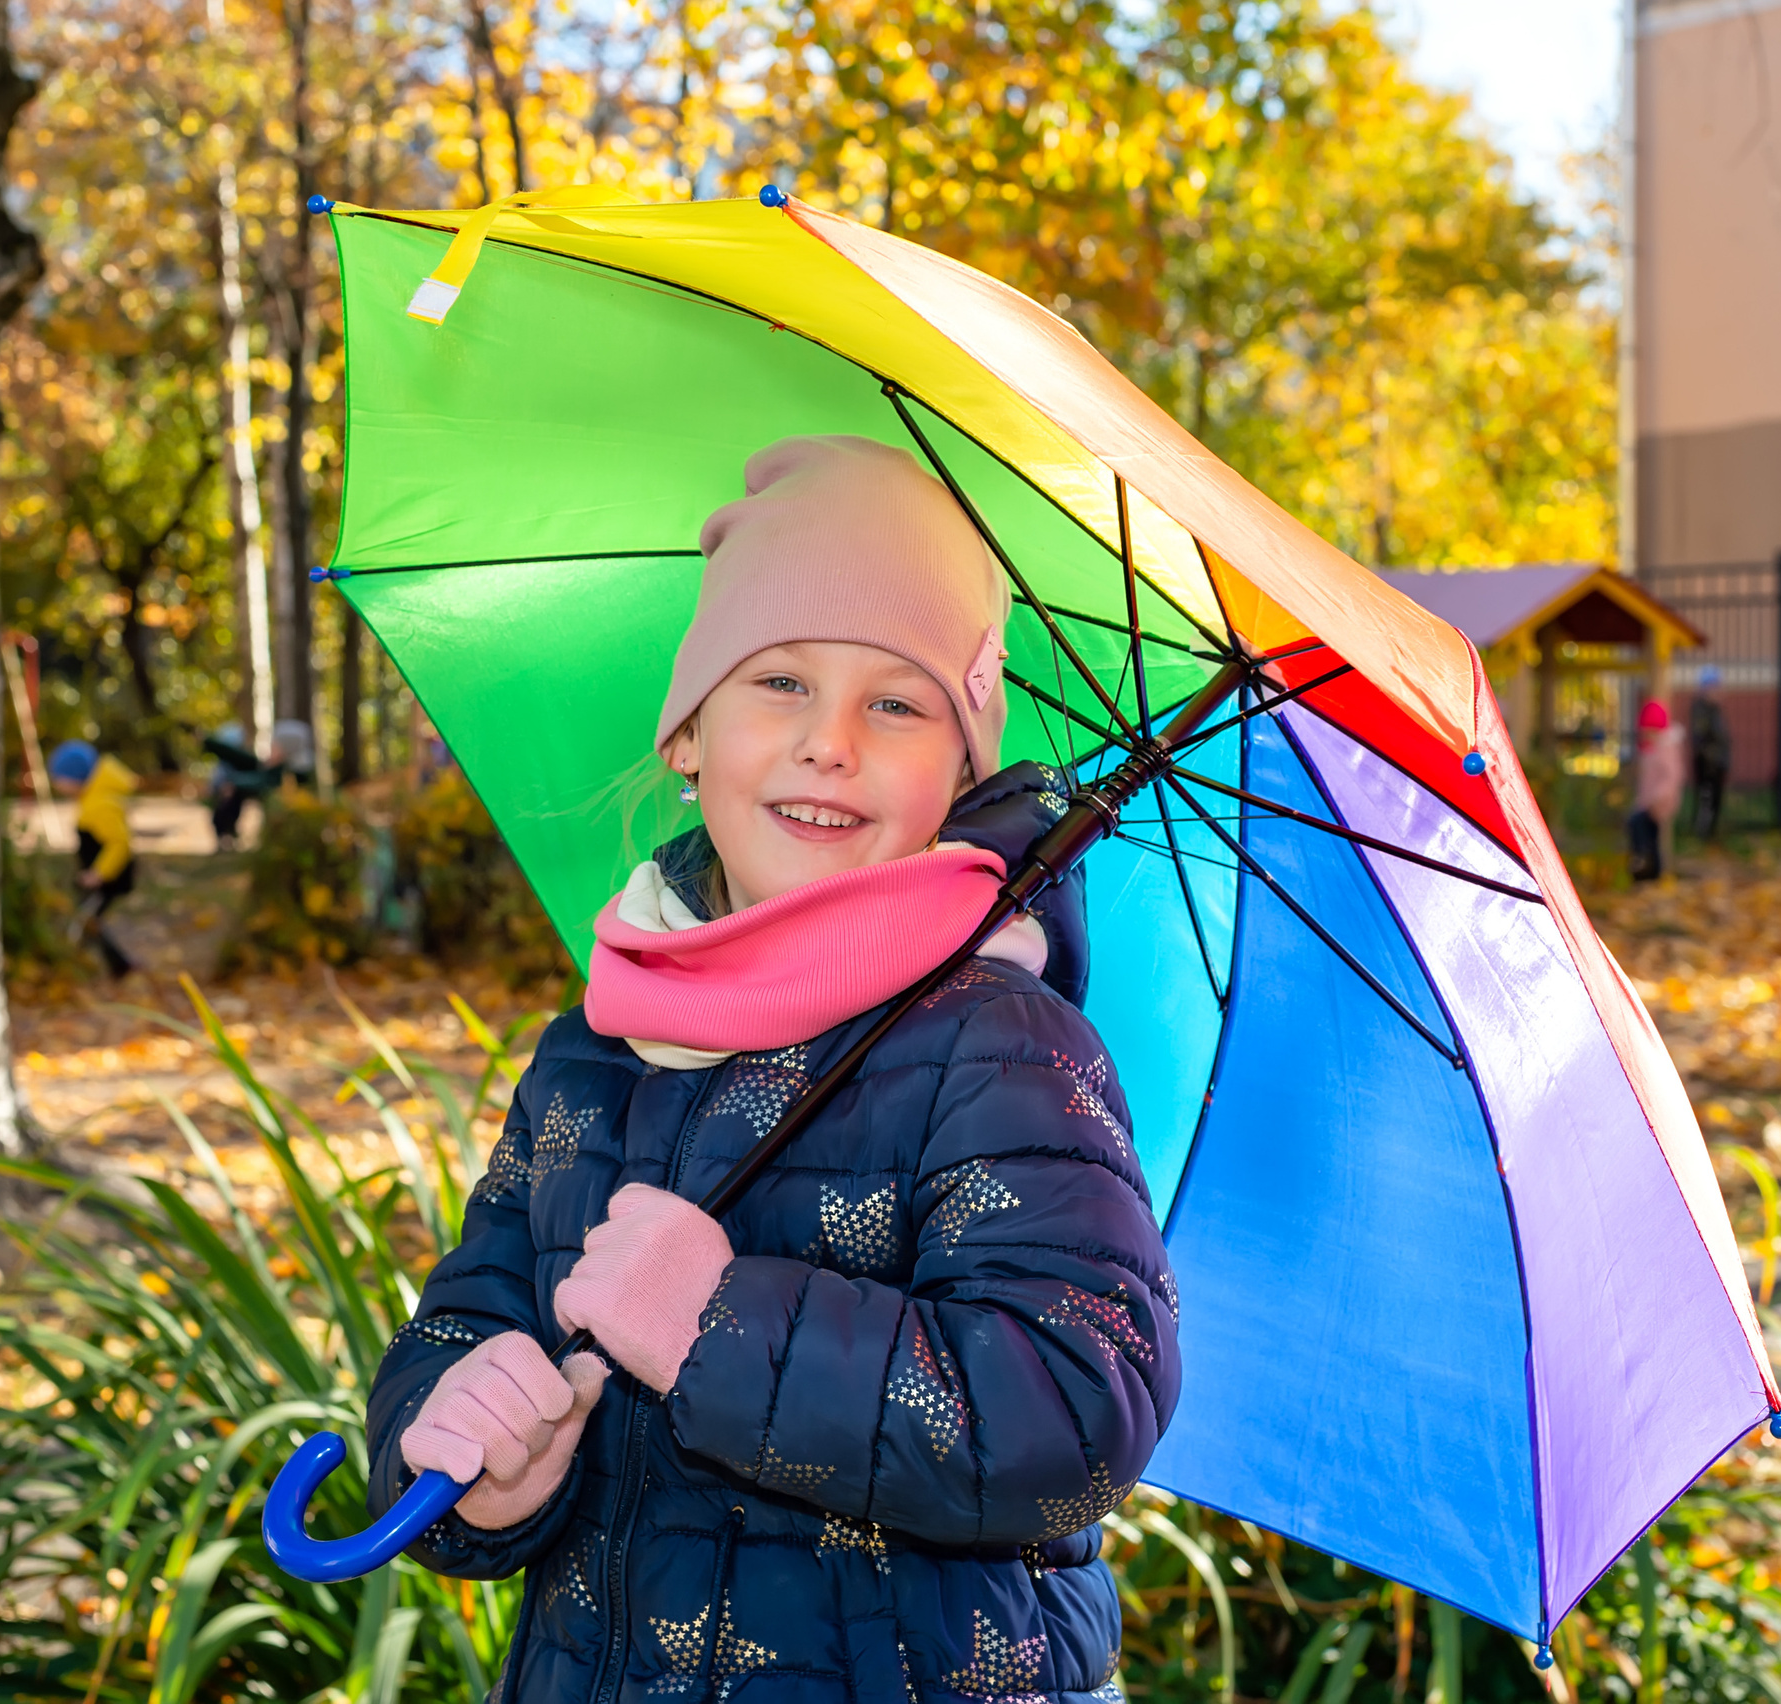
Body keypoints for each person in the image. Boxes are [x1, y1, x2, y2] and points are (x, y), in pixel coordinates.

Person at [364, 437, 1178, 1704]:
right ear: (688, 733)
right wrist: (474, 1449)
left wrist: (717, 1326)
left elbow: (1078, 1408)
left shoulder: (1001, 1046)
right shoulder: (598, 1041)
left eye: (897, 704)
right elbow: (474, 1309)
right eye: (781, 683)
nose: (829, 744)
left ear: (962, 770)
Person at [50, 740, 138, 976]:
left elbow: (119, 843)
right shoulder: (93, 798)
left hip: (108, 878)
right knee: (88, 919)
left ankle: (119, 966)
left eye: (59, 777)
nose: (56, 783)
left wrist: (99, 873)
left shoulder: (100, 803)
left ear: (75, 777)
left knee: (88, 919)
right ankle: (89, 961)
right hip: (100, 875)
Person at [1629, 698, 1687, 883]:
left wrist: (1658, 797)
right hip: (1649, 801)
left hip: (1659, 801)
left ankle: (1647, 865)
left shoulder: (1665, 748)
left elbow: (1672, 776)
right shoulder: (1652, 748)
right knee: (1651, 835)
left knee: (1639, 826)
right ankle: (1652, 871)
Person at [1689, 666, 1731, 839]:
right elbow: (1701, 736)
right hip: (1708, 763)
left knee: (1716, 798)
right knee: (1706, 798)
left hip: (1718, 761)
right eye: (1714, 687)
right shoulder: (1701, 709)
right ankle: (1702, 833)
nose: (1718, 691)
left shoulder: (1715, 709)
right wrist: (1709, 756)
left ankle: (1710, 832)